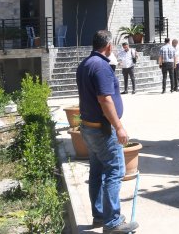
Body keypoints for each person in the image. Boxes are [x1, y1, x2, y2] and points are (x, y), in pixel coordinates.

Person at [75, 30, 138, 233]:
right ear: (109, 46)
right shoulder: (101, 67)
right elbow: (105, 99)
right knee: (114, 171)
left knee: (96, 172)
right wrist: (118, 126)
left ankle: (100, 215)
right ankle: (112, 222)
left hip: (89, 128)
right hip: (103, 131)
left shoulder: (85, 64)